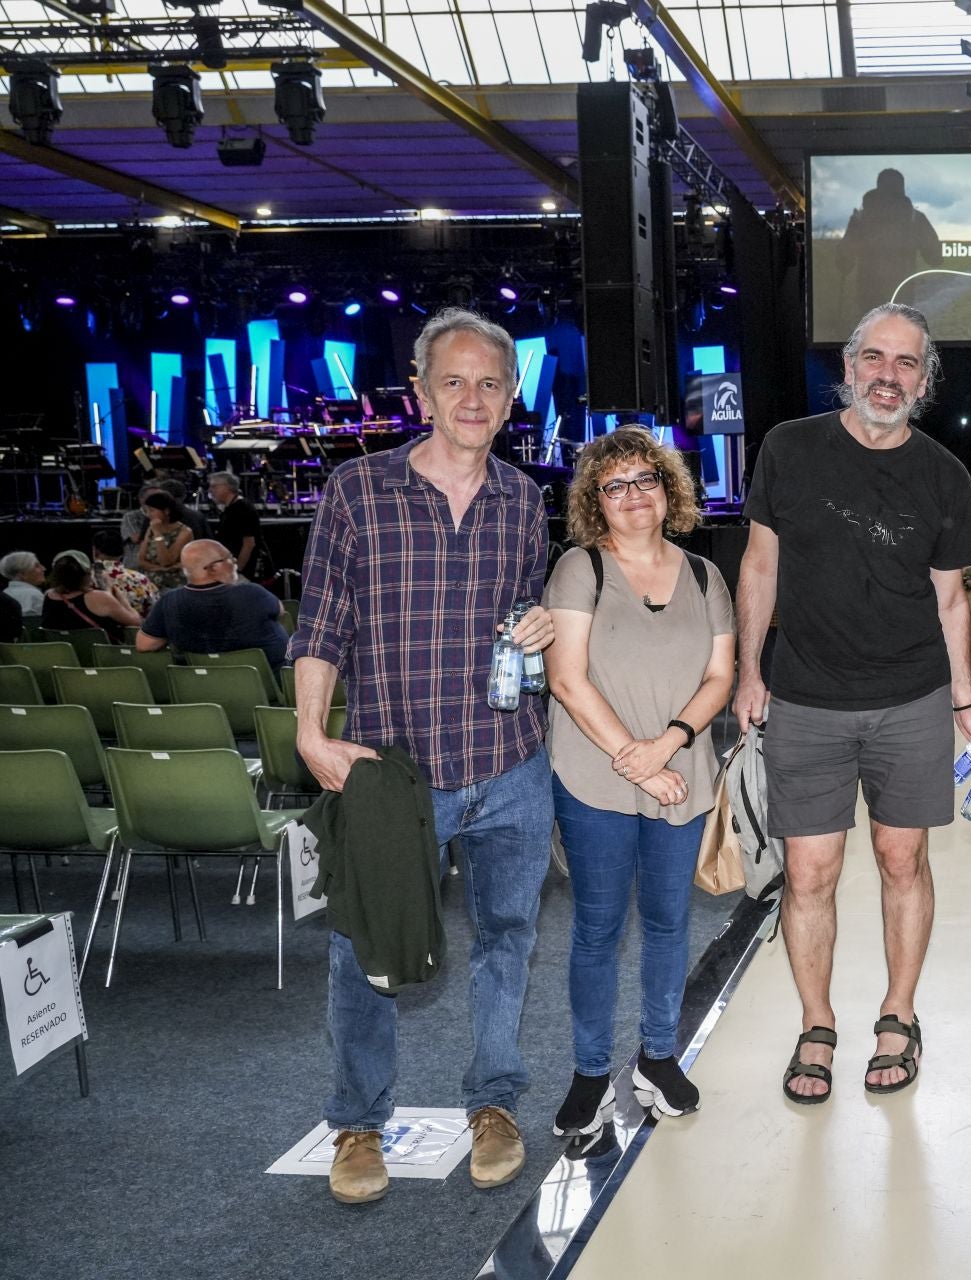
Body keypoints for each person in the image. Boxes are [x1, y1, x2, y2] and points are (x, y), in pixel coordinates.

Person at [289, 307, 557, 1205]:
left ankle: (495, 1103)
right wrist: (310, 732)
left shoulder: (525, 497)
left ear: (512, 396)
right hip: (395, 773)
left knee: (508, 941)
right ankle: (359, 1124)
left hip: (510, 763)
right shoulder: (356, 489)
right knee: (363, 948)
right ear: (421, 391)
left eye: (490, 382)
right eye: (455, 380)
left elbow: (523, 618)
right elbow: (321, 619)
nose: (473, 397)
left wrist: (538, 628)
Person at [733, 302, 971, 1104]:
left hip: (910, 698)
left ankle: (898, 1015)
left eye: (907, 362)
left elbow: (952, 602)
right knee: (810, 873)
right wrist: (750, 672)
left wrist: (966, 702)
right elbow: (758, 569)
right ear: (848, 368)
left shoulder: (945, 475)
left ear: (925, 378)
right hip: (805, 698)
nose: (888, 375)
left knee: (901, 860)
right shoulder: (788, 448)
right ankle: (816, 1024)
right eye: (873, 358)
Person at [545, 428, 736, 1138]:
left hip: (680, 774)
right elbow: (565, 678)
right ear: (596, 500)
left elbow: (721, 677)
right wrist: (635, 757)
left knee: (668, 923)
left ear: (669, 490)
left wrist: (669, 748)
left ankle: (658, 1056)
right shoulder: (579, 569)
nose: (632, 496)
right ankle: (590, 1073)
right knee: (596, 928)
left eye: (645, 480)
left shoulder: (704, 576)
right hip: (595, 777)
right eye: (615, 484)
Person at [137, 540, 289, 667]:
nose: (234, 562)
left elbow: (144, 644)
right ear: (213, 568)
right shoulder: (252, 593)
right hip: (271, 686)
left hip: (202, 690)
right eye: (229, 558)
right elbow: (280, 611)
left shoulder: (169, 601)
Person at [839, 169, 943, 322]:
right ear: (902, 188)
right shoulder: (915, 218)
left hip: (866, 299)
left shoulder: (859, 219)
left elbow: (843, 263)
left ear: (877, 187)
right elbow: (935, 258)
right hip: (903, 298)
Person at [40, 552, 141, 636]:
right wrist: (119, 596)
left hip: (64, 658)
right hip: (102, 658)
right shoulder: (100, 598)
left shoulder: (48, 596)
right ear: (87, 574)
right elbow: (136, 623)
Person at [208, 471, 266, 582]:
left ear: (227, 487)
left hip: (242, 572)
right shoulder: (229, 509)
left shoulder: (242, 508)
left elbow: (249, 543)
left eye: (214, 486)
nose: (211, 491)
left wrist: (237, 569)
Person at [89, 527, 159, 616]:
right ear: (123, 552)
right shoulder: (141, 579)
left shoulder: (83, 578)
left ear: (95, 551)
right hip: (138, 628)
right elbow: (155, 611)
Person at [136, 491, 191, 590]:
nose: (148, 515)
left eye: (152, 510)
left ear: (166, 511)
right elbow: (141, 560)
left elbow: (166, 561)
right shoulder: (151, 528)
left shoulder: (184, 532)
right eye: (146, 511)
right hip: (151, 583)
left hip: (173, 585)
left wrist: (157, 533)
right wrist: (161, 569)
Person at [0, 551, 45, 621]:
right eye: (37, 566)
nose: (43, 569)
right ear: (23, 574)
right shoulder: (33, 595)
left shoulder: (5, 593)